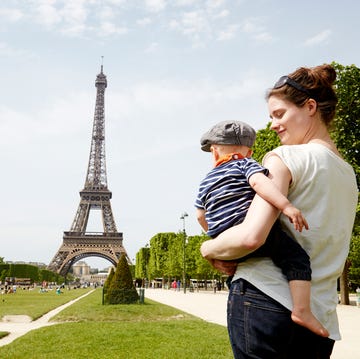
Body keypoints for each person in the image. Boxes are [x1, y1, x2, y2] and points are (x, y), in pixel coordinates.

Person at [200, 64, 358, 358]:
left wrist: (207, 248)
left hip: (265, 299)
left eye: (279, 114)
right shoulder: (349, 175)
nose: (272, 125)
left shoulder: (284, 157)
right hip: (319, 314)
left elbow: (251, 237)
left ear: (310, 107)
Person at [195, 120, 328, 337]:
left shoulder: (206, 181)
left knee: (234, 269)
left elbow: (201, 215)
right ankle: (302, 310)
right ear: (249, 151)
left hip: (224, 234)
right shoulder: (245, 164)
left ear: (215, 151)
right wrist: (287, 206)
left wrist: (216, 235)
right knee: (296, 258)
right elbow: (261, 184)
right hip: (245, 225)